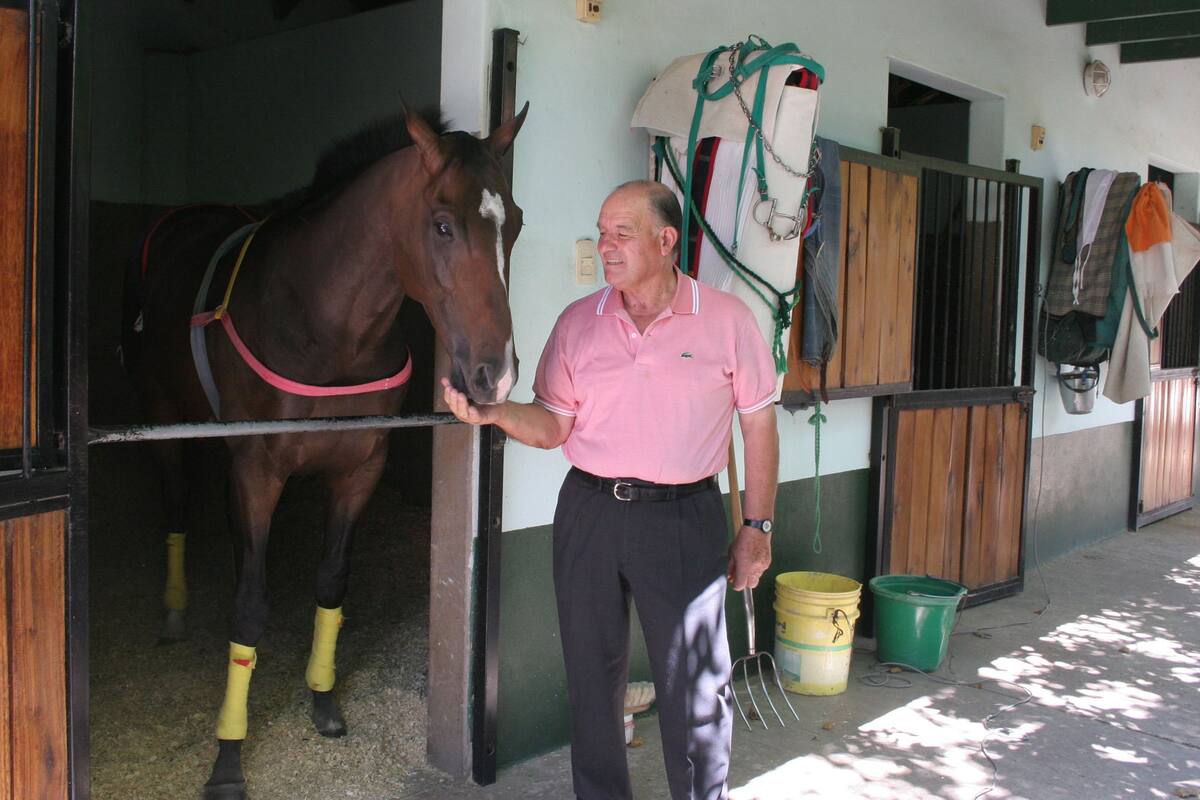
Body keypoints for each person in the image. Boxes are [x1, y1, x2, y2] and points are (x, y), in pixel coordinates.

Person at [442, 180, 779, 800]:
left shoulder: (727, 321)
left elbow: (758, 423)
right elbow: (553, 426)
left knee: (697, 688)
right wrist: (496, 415)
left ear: (666, 240)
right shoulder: (579, 324)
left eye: (622, 233)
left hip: (684, 518)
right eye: (602, 233)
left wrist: (757, 528)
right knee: (592, 683)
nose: (606, 246)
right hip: (589, 513)